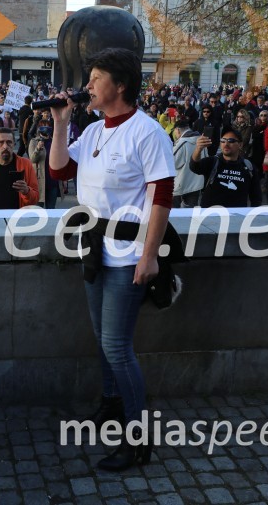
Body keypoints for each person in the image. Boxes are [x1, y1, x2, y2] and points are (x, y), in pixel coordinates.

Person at [48, 48, 176, 471]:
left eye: (95, 77)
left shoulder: (147, 132)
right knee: (103, 338)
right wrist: (61, 123)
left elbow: (162, 197)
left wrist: (150, 256)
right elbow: (59, 169)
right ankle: (110, 404)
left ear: (119, 85)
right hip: (93, 245)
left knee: (118, 347)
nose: (87, 85)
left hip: (128, 251)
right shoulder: (96, 129)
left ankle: (138, 439)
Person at [189, 126, 261, 207]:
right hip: (210, 215)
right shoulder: (213, 161)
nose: (226, 144)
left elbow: (256, 197)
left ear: (240, 144)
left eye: (231, 141)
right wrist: (198, 149)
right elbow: (194, 167)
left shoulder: (249, 167)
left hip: (237, 216)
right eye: (223, 141)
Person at [28, 119, 62, 208]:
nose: (46, 129)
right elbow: (32, 160)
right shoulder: (34, 142)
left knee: (51, 210)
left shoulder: (55, 141)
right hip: (39, 180)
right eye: (43, 127)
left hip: (53, 180)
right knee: (39, 211)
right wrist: (38, 149)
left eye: (48, 127)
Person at [173, 117, 205, 207]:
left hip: (181, 183)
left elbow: (172, 163)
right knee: (190, 215)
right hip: (197, 184)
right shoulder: (201, 140)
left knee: (173, 213)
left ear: (178, 130)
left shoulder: (182, 143)